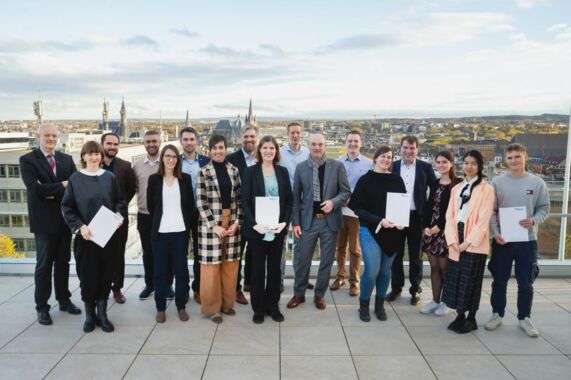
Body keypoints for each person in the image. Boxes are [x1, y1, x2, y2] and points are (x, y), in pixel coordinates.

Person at [485, 143, 550, 337]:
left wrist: (533, 220)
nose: (514, 161)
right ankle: (497, 314)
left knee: (526, 282)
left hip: (527, 241)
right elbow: (491, 212)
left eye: (517, 157)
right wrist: (496, 233)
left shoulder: (537, 183)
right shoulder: (497, 182)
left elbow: (544, 208)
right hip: (502, 241)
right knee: (499, 281)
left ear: (525, 157)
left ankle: (524, 318)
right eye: (510, 157)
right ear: (506, 159)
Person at [61, 141, 127, 333]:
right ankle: (90, 315)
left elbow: (119, 202)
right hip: (86, 238)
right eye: (89, 154)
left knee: (106, 274)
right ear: (83, 157)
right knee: (88, 277)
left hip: (107, 237)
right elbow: (67, 207)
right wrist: (80, 226)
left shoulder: (109, 177)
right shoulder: (75, 179)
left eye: (97, 153)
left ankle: (102, 314)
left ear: (101, 156)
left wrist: (119, 216)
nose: (94, 157)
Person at [20, 124, 81, 325]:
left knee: (63, 263)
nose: (51, 139)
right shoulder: (28, 160)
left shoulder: (66, 159)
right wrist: (62, 185)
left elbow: (74, 187)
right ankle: (42, 307)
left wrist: (49, 190)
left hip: (65, 221)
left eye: (54, 135)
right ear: (39, 136)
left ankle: (64, 300)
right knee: (44, 265)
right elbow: (34, 190)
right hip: (44, 223)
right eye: (47, 135)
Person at [287, 134, 351, 310]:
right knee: (302, 260)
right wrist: (296, 222)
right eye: (314, 144)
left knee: (326, 261)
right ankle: (298, 294)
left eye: (320, 144)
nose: (317, 147)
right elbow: (295, 198)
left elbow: (346, 192)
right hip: (307, 222)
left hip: (329, 223)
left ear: (324, 146)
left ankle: (319, 295)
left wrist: (333, 202)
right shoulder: (301, 168)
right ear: (308, 146)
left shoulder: (337, 166)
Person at [349, 146, 406, 321]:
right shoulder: (365, 180)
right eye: (383, 156)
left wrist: (402, 222)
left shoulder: (397, 180)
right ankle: (363, 304)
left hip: (393, 232)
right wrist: (379, 220)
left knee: (385, 270)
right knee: (372, 270)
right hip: (370, 230)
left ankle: (379, 305)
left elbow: (402, 205)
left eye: (389, 157)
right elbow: (355, 207)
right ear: (375, 159)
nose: (386, 160)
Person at [442, 150, 494, 334]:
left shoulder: (487, 189)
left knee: (471, 280)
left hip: (474, 240)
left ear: (479, 166)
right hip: (457, 235)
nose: (468, 166)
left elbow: (483, 220)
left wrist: (467, 242)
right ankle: (460, 315)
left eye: (473, 163)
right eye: (465, 163)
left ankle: (471, 317)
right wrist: (452, 240)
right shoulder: (456, 188)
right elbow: (449, 216)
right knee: (457, 279)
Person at [242, 136, 292, 324]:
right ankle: (258, 308)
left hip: (276, 230)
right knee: (256, 272)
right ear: (259, 150)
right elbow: (244, 201)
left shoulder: (283, 172)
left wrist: (284, 222)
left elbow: (289, 200)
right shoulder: (250, 172)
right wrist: (254, 223)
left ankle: (273, 306)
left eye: (272, 148)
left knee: (274, 271)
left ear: (276, 151)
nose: (268, 151)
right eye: (265, 148)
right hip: (257, 230)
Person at [196, 135, 242, 323]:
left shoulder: (234, 170)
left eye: (221, 147)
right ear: (209, 151)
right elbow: (200, 201)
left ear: (226, 148)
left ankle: (227, 305)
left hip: (231, 222)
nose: (218, 151)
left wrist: (236, 222)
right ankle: (212, 309)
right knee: (211, 268)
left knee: (230, 266)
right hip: (210, 224)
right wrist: (214, 226)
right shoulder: (203, 171)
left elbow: (239, 199)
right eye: (214, 148)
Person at [147, 145, 194, 323]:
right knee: (160, 272)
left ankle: (181, 306)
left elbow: (189, 206)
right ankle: (160, 308)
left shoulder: (185, 179)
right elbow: (152, 207)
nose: (171, 159)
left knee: (181, 272)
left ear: (178, 159)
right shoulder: (154, 180)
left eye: (174, 156)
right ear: (162, 158)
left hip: (180, 233)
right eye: (168, 156)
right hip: (160, 234)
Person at [387, 136, 437, 305]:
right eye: (405, 148)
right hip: (396, 216)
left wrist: (427, 213)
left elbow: (435, 191)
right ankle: (396, 287)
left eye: (412, 148)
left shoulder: (425, 167)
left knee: (416, 256)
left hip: (417, 216)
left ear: (417, 150)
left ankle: (415, 289)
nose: (408, 151)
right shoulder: (391, 166)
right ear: (400, 149)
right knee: (396, 254)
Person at [133, 130, 174, 300]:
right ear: (144, 143)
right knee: (148, 252)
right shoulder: (136, 166)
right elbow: (133, 189)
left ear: (160, 143)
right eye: (148, 141)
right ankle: (150, 284)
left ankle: (167, 285)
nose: (151, 144)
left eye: (154, 141)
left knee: (167, 252)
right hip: (145, 215)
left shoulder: (166, 163)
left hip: (166, 216)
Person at [330, 130, 372, 296]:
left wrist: (353, 198)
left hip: (356, 213)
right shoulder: (337, 162)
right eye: (350, 141)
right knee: (339, 247)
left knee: (355, 249)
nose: (353, 144)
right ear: (345, 142)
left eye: (356, 141)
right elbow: (332, 186)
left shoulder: (369, 164)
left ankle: (354, 281)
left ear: (360, 143)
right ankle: (340, 276)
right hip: (339, 212)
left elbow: (369, 189)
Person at [420, 151, 462, 316]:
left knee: (445, 269)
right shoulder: (435, 183)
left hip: (447, 233)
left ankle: (447, 301)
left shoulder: (458, 184)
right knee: (434, 267)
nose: (441, 165)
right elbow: (429, 206)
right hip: (431, 232)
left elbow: (456, 211)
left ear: (451, 163)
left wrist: (440, 227)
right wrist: (426, 227)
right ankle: (435, 300)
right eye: (438, 162)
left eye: (444, 162)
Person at [100, 132, 136, 304]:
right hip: (97, 219)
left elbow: (130, 190)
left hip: (118, 218)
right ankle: (102, 288)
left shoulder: (125, 166)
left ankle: (117, 289)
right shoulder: (94, 163)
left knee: (117, 255)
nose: (112, 147)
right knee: (100, 256)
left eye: (115, 144)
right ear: (102, 145)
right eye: (109, 144)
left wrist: (118, 209)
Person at [279, 121, 312, 292]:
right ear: (287, 133)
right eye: (292, 132)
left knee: (301, 244)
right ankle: (279, 280)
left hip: (303, 203)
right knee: (281, 243)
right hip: (284, 202)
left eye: (298, 132)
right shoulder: (280, 152)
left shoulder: (308, 152)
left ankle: (301, 280)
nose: (295, 135)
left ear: (302, 134)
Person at [179, 127, 211, 305]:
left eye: (192, 139)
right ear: (181, 141)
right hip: (181, 214)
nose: (189, 142)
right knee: (181, 253)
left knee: (200, 253)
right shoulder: (174, 162)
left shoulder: (206, 161)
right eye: (186, 139)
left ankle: (198, 288)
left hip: (201, 215)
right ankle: (183, 289)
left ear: (197, 141)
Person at [227, 125, 258, 305]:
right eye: (246, 137)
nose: (249, 140)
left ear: (257, 138)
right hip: (237, 215)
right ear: (241, 138)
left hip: (257, 216)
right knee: (236, 253)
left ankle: (249, 282)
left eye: (252, 137)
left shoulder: (263, 158)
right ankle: (236, 288)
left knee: (254, 252)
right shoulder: (232, 159)